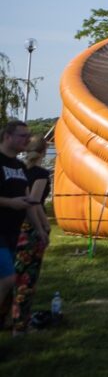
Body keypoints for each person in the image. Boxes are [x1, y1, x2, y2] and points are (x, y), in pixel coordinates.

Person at [11, 136, 51, 335]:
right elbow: (34, 201)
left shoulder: (18, 170)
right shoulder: (40, 173)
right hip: (30, 228)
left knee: (10, 276)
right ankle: (20, 325)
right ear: (44, 152)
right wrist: (44, 226)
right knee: (27, 278)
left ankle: (7, 320)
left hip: (13, 226)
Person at [0, 122, 40, 320]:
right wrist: (10, 203)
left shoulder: (19, 166)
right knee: (7, 279)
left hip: (13, 232)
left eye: (28, 135)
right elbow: (16, 202)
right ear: (8, 136)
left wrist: (39, 230)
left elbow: (27, 201)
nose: (27, 139)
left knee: (8, 281)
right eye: (23, 136)